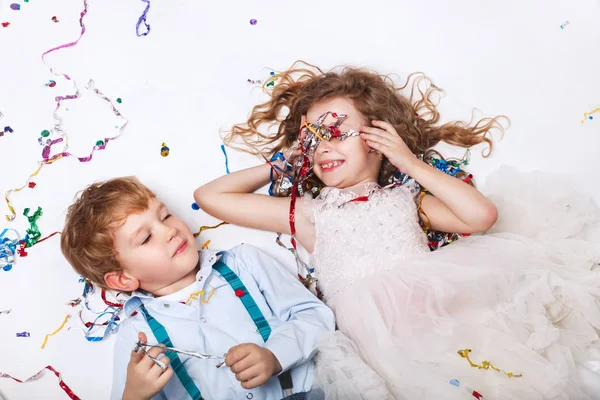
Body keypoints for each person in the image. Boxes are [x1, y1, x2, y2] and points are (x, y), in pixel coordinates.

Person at [194, 62, 600, 399]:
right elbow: (211, 196)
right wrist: (281, 162)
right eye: (313, 138)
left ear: (376, 137)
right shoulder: (310, 214)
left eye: (336, 132)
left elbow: (480, 217)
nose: (323, 146)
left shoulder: (407, 200)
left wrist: (408, 161)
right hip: (381, 357)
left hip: (449, 328)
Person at [60, 176, 334, 400]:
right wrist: (135, 395)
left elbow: (317, 317)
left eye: (165, 216)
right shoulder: (137, 334)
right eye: (146, 238)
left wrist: (275, 355)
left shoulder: (244, 263)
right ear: (123, 280)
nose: (170, 230)